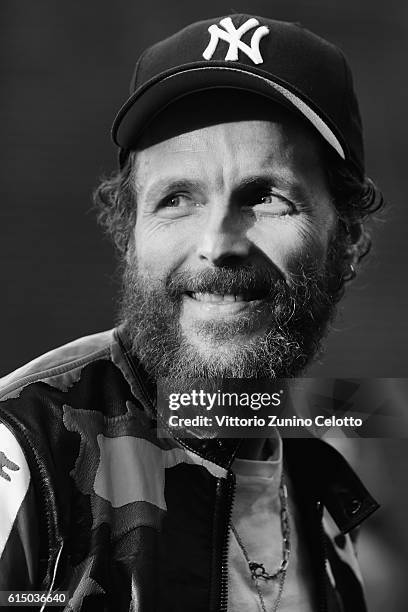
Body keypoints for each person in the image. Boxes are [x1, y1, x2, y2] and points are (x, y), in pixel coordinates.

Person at [0, 14, 382, 611]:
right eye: (176, 198)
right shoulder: (25, 455)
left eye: (265, 197)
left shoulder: (319, 488)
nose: (217, 243)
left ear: (349, 240)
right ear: (129, 234)